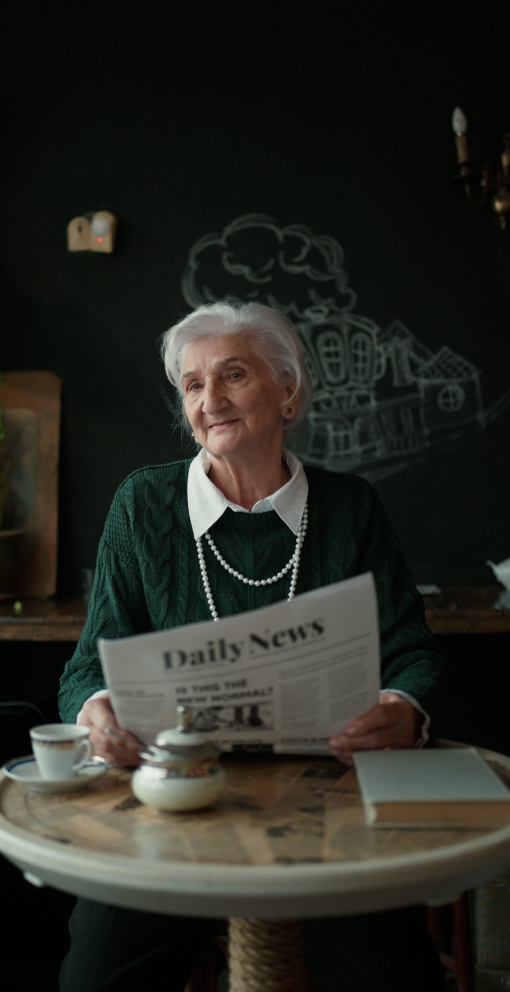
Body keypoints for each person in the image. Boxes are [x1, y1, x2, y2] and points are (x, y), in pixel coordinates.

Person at [58, 301, 453, 992]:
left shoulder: (351, 506)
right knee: (93, 976)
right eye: (192, 384)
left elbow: (414, 650)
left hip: (331, 810)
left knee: (396, 975)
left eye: (233, 375)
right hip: (173, 805)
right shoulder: (142, 504)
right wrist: (96, 712)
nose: (210, 401)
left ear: (289, 392)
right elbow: (88, 662)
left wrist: (402, 707)